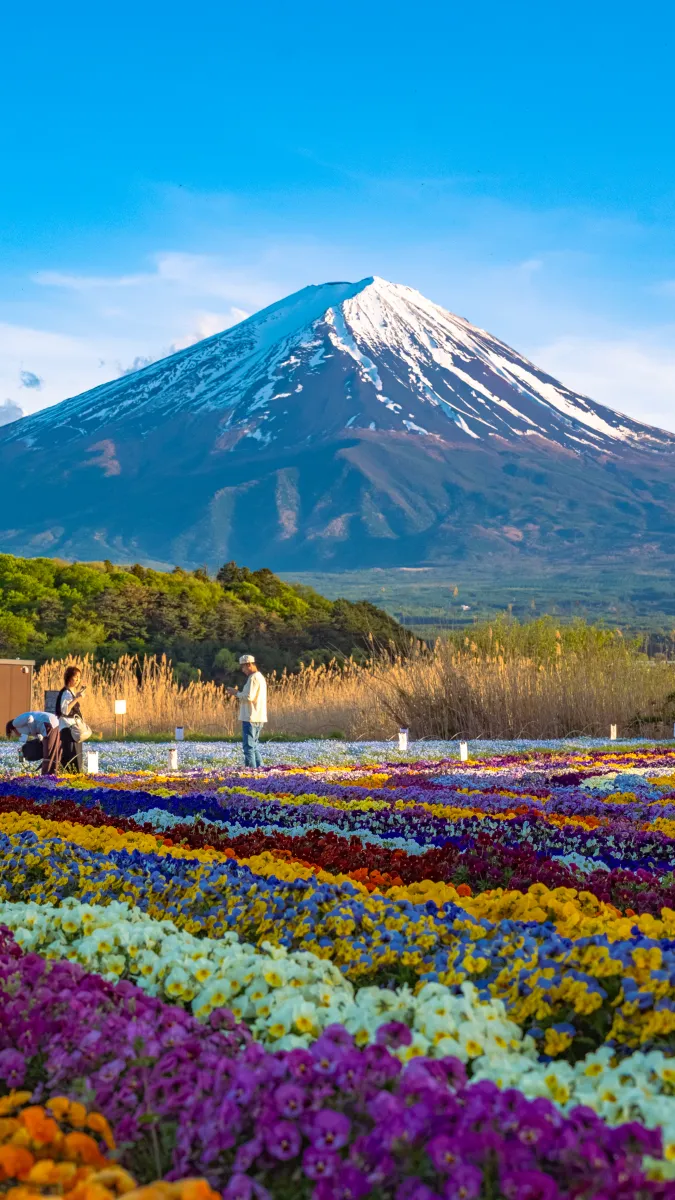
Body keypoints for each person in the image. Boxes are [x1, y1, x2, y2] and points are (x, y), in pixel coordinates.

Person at [226, 654, 267, 768]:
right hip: (258, 716)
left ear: (249, 665)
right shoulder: (260, 677)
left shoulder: (253, 678)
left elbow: (249, 696)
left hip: (250, 716)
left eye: (243, 667)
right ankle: (261, 770)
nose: (243, 670)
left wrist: (236, 693)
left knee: (248, 747)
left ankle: (251, 773)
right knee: (254, 746)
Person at [6, 710, 61, 775]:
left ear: (11, 729)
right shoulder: (22, 732)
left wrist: (34, 732)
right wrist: (21, 760)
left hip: (48, 722)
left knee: (49, 753)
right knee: (52, 751)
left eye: (11, 734)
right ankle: (53, 775)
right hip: (51, 723)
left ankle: (47, 777)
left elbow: (30, 718)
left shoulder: (15, 723)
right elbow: (21, 747)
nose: (13, 736)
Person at [56, 665, 87, 773]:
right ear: (69, 678)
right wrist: (77, 698)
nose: (78, 680)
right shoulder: (66, 693)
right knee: (71, 756)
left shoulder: (70, 692)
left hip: (73, 730)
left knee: (75, 756)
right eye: (76, 677)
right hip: (68, 729)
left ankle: (72, 777)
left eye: (79, 677)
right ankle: (70, 779)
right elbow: (65, 710)